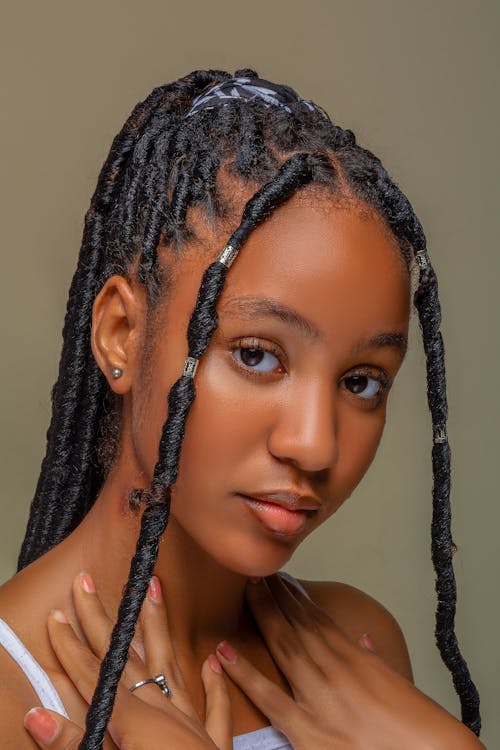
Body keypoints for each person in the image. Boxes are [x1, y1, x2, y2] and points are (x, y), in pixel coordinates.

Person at [0, 68, 484, 749]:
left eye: (362, 381)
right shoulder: (17, 700)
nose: (315, 446)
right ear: (120, 334)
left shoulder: (358, 657)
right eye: (257, 355)